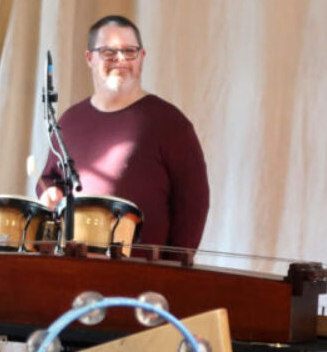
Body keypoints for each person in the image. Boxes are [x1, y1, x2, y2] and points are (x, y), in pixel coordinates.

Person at [37, 14, 209, 251]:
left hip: (142, 270)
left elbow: (193, 203)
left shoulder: (170, 123)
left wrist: (174, 266)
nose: (120, 60)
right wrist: (49, 192)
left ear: (142, 57)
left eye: (130, 51)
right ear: (89, 58)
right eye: (108, 52)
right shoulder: (69, 121)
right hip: (73, 265)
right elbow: (49, 179)